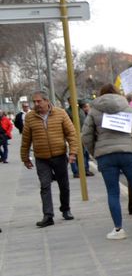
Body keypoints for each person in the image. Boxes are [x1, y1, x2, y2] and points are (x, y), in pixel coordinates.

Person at [82, 84, 132, 239]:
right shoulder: (126, 107)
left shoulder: (94, 110)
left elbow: (86, 136)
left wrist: (96, 152)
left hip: (105, 155)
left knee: (113, 192)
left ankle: (118, 229)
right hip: (128, 153)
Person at [20, 91, 79, 228]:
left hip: (59, 155)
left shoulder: (61, 113)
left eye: (39, 101)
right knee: (45, 185)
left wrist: (73, 153)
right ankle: (48, 215)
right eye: (34, 102)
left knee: (63, 185)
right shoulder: (30, 117)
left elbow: (71, 134)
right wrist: (25, 157)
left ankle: (66, 209)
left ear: (47, 101)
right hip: (41, 158)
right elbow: (26, 139)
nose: (36, 104)